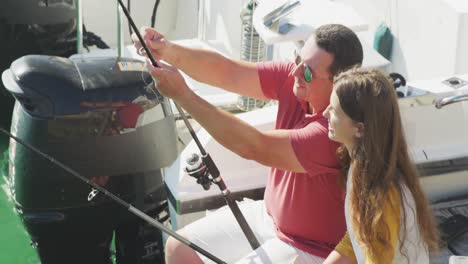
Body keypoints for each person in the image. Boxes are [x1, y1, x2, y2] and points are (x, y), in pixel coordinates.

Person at [133, 24, 363, 263]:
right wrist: (167, 50)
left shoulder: (333, 131)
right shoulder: (295, 80)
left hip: (311, 248)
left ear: (339, 83)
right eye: (297, 59)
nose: (295, 72)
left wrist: (183, 95)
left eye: (307, 72)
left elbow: (254, 146)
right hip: (269, 216)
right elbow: (227, 72)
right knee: (178, 248)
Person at [322, 68, 439, 263]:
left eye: (333, 110)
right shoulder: (362, 166)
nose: (325, 113)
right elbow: (355, 239)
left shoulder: (381, 194)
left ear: (359, 129)